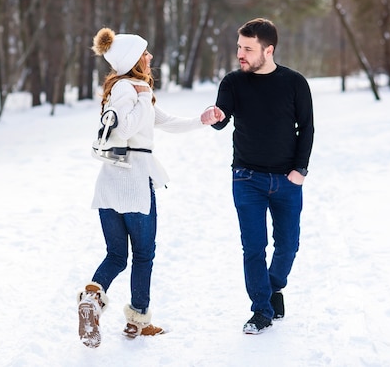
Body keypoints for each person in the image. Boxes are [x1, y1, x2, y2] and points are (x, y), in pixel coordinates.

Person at [77, 27, 220, 348]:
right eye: (145, 52)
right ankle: (137, 321)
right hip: (134, 183)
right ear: (133, 59)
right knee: (143, 254)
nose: (150, 56)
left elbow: (165, 122)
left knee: (116, 255)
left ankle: (91, 297)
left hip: (109, 184)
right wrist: (142, 95)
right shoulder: (131, 89)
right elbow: (127, 127)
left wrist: (202, 119)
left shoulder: (125, 90)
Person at [201, 18, 314, 334]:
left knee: (288, 245)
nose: (241, 54)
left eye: (248, 49)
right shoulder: (233, 83)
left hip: (287, 180)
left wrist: (300, 170)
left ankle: (273, 285)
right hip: (247, 178)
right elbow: (222, 117)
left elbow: (306, 128)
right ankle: (261, 310)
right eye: (239, 47)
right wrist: (216, 116)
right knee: (253, 247)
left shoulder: (295, 83)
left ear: (268, 50)